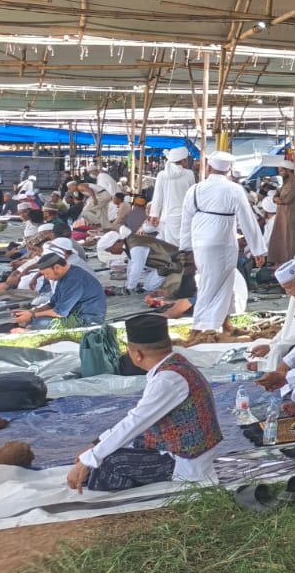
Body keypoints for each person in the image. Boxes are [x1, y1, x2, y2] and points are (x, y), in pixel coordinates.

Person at [64, 313, 221, 492]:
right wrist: (95, 445)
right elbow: (136, 422)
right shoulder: (176, 365)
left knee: (109, 464)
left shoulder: (167, 380)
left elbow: (134, 423)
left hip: (187, 463)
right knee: (106, 452)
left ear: (137, 354)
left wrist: (90, 459)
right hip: (183, 451)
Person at [178, 150, 266, 331]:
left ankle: (225, 323)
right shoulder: (234, 189)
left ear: (209, 167)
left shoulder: (194, 190)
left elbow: (186, 221)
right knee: (213, 284)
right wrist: (258, 250)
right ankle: (202, 326)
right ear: (228, 170)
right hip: (224, 243)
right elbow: (248, 221)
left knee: (219, 282)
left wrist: (185, 247)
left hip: (201, 244)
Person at [12, 250, 106, 329]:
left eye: (47, 273)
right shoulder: (64, 276)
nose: (46, 277)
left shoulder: (74, 280)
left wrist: (32, 315)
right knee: (33, 320)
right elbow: (52, 304)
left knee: (39, 323)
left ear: (57, 267)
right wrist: (31, 312)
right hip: (73, 315)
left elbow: (59, 313)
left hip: (87, 320)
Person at [146, 145, 195, 253]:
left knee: (170, 247)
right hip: (185, 216)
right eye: (186, 160)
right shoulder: (189, 174)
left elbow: (157, 197)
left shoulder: (162, 175)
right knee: (185, 244)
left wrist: (154, 215)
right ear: (183, 160)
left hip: (168, 217)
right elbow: (192, 196)